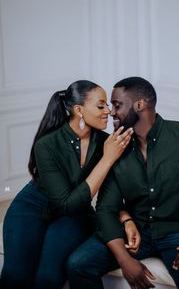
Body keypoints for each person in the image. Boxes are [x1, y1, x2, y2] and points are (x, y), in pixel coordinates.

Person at [66, 76, 179, 289]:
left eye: (117, 105)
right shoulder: (116, 148)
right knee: (77, 264)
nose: (111, 112)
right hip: (137, 233)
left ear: (139, 105)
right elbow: (106, 207)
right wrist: (125, 259)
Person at [0, 80, 140, 289]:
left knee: (48, 278)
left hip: (75, 215)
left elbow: (109, 194)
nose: (109, 112)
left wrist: (126, 218)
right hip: (31, 207)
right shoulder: (46, 145)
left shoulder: (106, 143)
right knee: (16, 276)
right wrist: (107, 159)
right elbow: (65, 202)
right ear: (78, 110)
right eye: (101, 106)